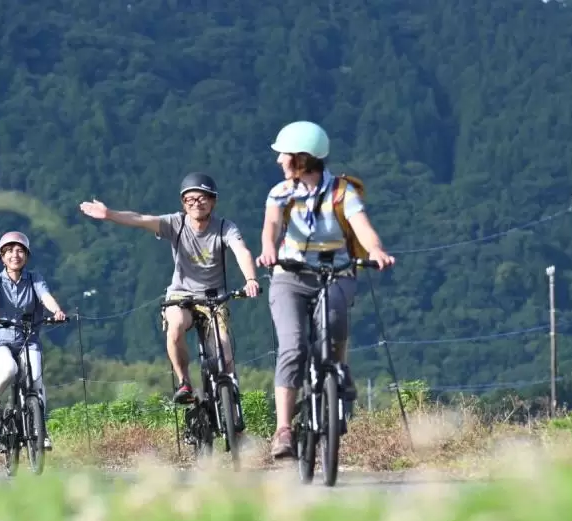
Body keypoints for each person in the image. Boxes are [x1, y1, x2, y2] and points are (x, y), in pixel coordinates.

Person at [256, 120, 396, 459]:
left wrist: (375, 250)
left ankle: (337, 373)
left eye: (284, 155)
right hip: (290, 276)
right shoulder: (280, 192)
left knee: (333, 323)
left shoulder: (342, 193)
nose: (278, 161)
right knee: (292, 347)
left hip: (336, 273)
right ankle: (284, 430)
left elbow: (362, 228)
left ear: (301, 159)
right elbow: (271, 226)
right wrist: (269, 249)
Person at [78, 173, 261, 404]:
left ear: (213, 201)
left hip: (214, 297)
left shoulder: (225, 227)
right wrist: (109, 215)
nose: (196, 203)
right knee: (174, 328)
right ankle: (184, 382)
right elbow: (141, 219)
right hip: (181, 295)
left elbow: (241, 251)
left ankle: (232, 407)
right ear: (183, 203)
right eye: (190, 199)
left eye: (203, 198)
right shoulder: (177, 223)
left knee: (224, 352)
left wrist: (251, 279)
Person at [0, 231, 67, 450]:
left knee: (36, 382)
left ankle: (40, 430)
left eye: (19, 251)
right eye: (9, 251)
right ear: (1, 256)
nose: (14, 255)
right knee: (9, 369)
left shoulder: (34, 278)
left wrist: (57, 311)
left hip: (28, 338)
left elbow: (45, 296)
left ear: (26, 256)